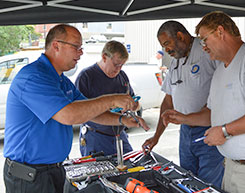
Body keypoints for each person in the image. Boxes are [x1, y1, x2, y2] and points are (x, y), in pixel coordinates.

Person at [3, 24, 145, 193]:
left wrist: (122, 119)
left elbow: (89, 113)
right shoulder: (34, 77)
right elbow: (69, 115)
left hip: (53, 170)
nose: (81, 53)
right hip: (29, 177)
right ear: (56, 45)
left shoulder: (61, 80)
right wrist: (112, 100)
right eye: (76, 47)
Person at [162, 11, 245, 193]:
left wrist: (224, 131)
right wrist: (183, 118)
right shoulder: (221, 70)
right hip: (232, 168)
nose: (203, 47)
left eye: (205, 40)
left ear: (220, 32)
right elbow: (211, 114)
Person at [142, 20, 224, 188]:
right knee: (185, 183)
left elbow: (223, 94)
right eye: (163, 47)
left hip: (209, 131)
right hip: (185, 133)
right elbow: (168, 101)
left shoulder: (207, 52)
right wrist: (156, 136)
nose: (166, 50)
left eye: (167, 44)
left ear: (180, 36)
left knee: (208, 187)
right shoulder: (175, 62)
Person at [75, 40, 149, 156]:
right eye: (115, 64)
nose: (118, 69)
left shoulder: (122, 76)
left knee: (128, 168)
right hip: (95, 137)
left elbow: (135, 101)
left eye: (122, 65)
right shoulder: (87, 77)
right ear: (104, 57)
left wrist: (133, 106)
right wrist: (121, 119)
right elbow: (83, 114)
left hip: (119, 135)